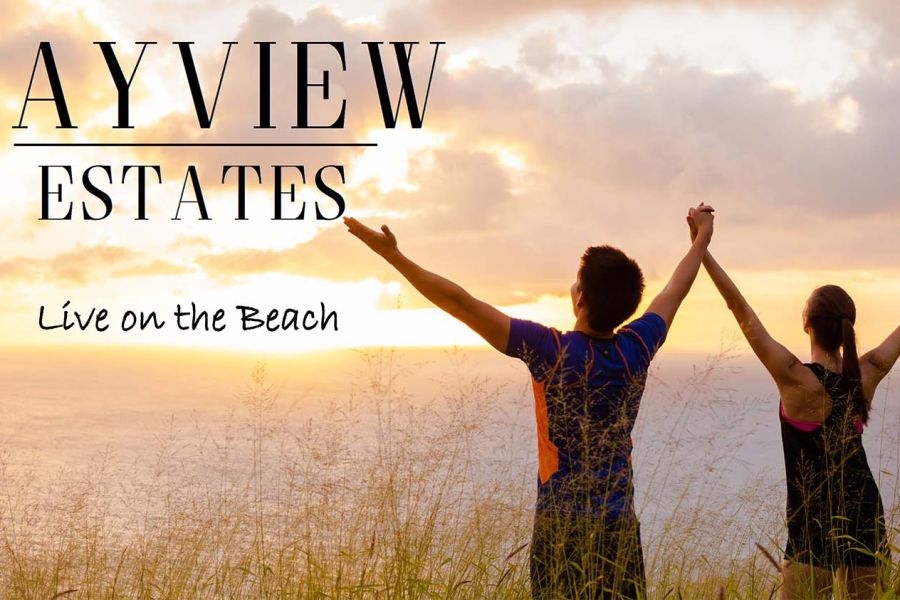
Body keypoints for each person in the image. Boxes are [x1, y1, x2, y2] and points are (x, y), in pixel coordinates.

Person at [344, 204, 715, 599]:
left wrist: (393, 257)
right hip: (618, 527)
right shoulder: (638, 346)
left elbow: (463, 304)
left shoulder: (550, 350)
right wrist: (702, 239)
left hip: (560, 529)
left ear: (581, 299)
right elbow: (675, 290)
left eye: (576, 283)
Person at [687, 207, 899, 600]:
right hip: (865, 514)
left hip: (811, 524)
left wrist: (702, 244)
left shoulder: (794, 377)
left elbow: (740, 309)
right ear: (847, 326)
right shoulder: (866, 373)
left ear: (807, 322)